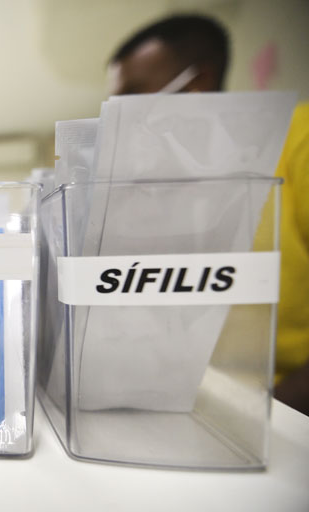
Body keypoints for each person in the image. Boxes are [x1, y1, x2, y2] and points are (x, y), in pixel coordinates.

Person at [109, 14, 309, 415]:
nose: (120, 115)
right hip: (199, 398)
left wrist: (271, 416)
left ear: (196, 83)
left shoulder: (298, 137)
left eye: (133, 96)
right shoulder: (165, 179)